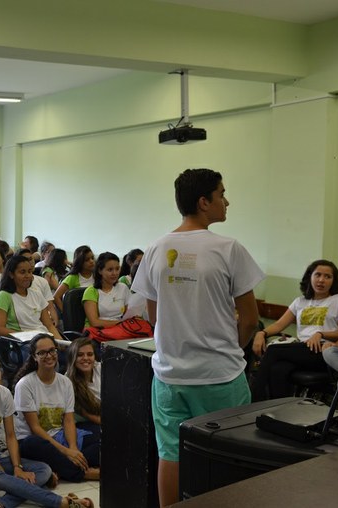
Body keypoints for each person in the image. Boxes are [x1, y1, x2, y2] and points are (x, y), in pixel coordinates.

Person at [131, 168, 263, 507]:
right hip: (219, 374)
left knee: (170, 453)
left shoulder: (156, 248)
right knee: (229, 454)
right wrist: (230, 349)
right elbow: (249, 320)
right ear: (204, 202)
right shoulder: (229, 248)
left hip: (169, 375)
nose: (226, 201)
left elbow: (154, 316)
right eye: (222, 194)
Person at [0, 350, 92, 508]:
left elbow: (10, 436)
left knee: (44, 470)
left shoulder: (4, 394)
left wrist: (17, 467)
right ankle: (61, 502)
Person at [13, 334, 100, 483]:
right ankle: (83, 473)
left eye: (52, 351)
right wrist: (65, 451)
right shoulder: (25, 385)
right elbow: (35, 428)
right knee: (32, 444)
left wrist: (73, 449)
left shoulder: (65, 382)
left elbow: (68, 420)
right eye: (42, 353)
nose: (49, 356)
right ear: (34, 357)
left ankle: (60, 467)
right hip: (36, 440)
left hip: (59, 435)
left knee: (102, 438)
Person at [252, 260, 338, 400]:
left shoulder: (337, 300)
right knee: (279, 369)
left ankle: (254, 402)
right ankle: (278, 412)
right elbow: (279, 325)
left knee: (274, 350)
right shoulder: (300, 301)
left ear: (333, 281)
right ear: (310, 277)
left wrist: (321, 334)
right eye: (317, 275)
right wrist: (261, 333)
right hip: (302, 350)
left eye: (327, 276)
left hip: (324, 351)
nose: (321, 280)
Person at [0, 255, 64, 342]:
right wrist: (26, 336)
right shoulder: (4, 296)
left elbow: (49, 325)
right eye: (22, 272)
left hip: (43, 339)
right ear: (11, 274)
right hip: (21, 343)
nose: (28, 276)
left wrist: (60, 342)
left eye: (30, 271)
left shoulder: (37, 293)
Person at [82, 251, 131, 328]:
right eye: (110, 270)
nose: (114, 273)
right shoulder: (91, 291)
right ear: (100, 271)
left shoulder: (123, 287)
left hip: (120, 329)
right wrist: (121, 323)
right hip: (98, 332)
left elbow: (129, 314)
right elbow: (95, 322)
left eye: (117, 269)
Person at [65, 338, 101, 434]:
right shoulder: (68, 381)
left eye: (90, 354)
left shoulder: (101, 368)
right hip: (86, 422)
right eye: (80, 355)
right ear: (73, 358)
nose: (86, 358)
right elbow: (88, 415)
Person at [53, 246, 95, 313]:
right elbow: (56, 297)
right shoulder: (72, 278)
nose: (91, 261)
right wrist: (66, 314)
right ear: (80, 261)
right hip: (78, 314)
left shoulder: (97, 276)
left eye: (92, 258)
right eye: (87, 260)